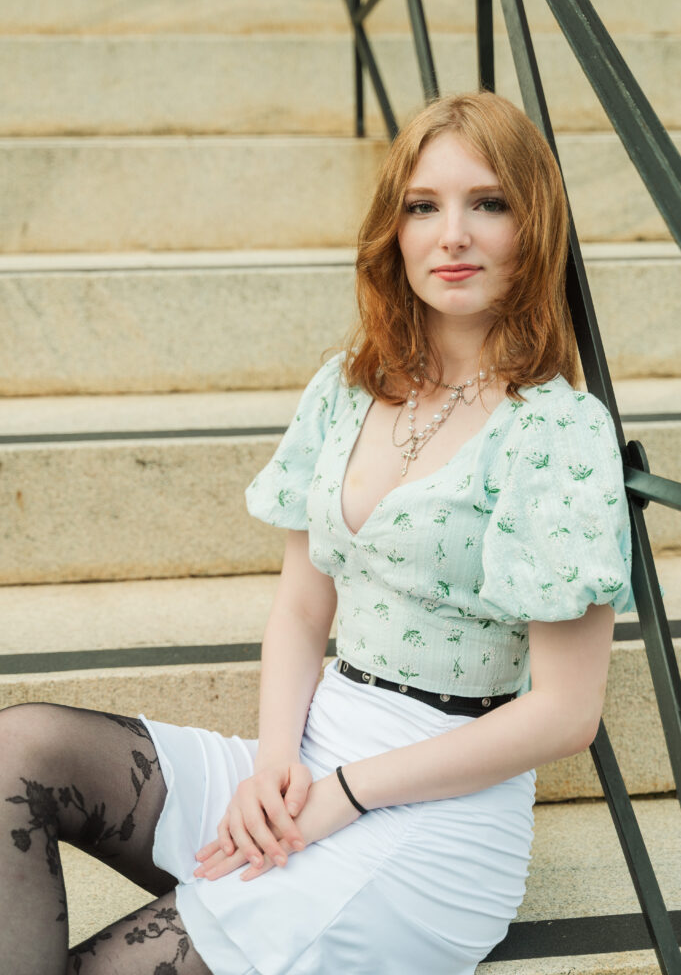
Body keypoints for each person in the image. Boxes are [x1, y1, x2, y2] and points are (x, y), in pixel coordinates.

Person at [0, 91, 634, 975]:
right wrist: (270, 766)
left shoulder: (556, 432)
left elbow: (565, 714)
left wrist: (346, 792)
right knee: (18, 752)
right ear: (395, 230)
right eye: (423, 206)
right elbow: (302, 613)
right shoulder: (348, 385)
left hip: (434, 823)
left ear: (534, 227)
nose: (451, 234)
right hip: (309, 750)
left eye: (487, 203)